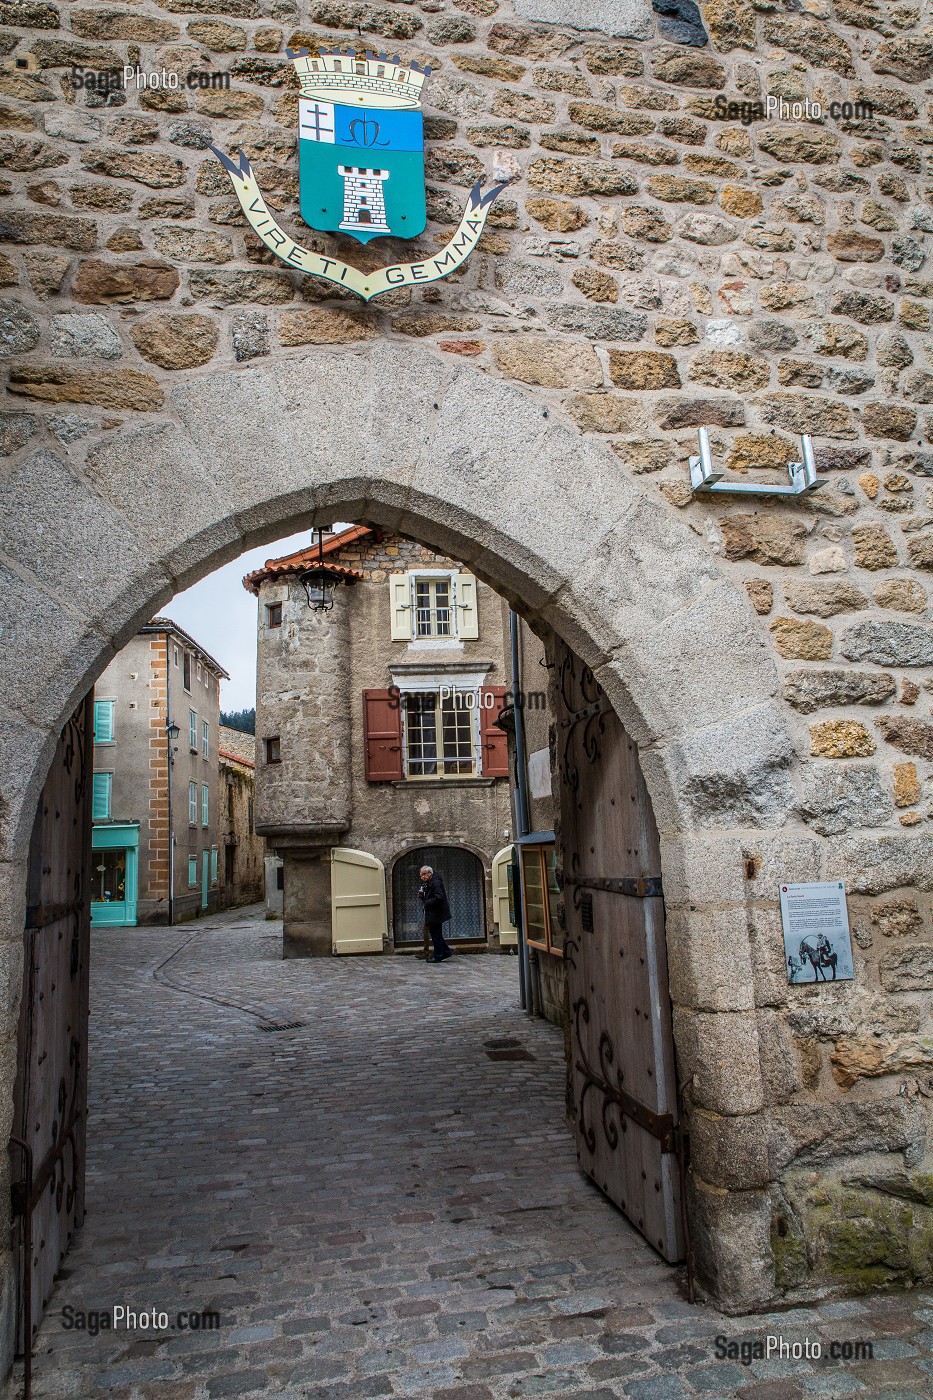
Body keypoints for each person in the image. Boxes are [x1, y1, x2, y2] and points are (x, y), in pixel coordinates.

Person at [418, 864, 452, 963]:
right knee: (436, 934)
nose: (422, 877)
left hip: (436, 913)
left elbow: (439, 897)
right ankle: (446, 951)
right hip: (433, 912)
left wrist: (427, 903)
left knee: (436, 934)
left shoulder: (436, 882)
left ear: (430, 873)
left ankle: (438, 955)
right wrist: (422, 895)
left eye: (424, 874)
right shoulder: (429, 882)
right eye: (421, 875)